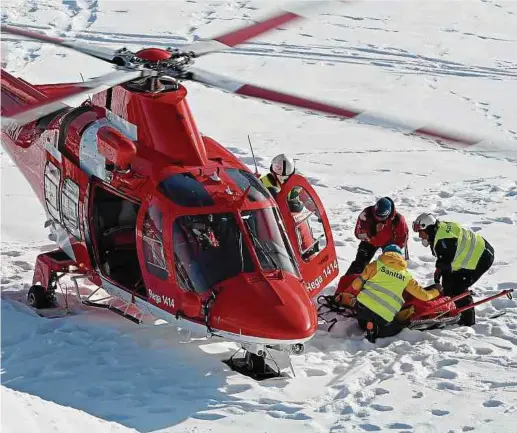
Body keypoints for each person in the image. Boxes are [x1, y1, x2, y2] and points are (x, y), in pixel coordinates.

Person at [340, 244, 442, 342]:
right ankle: (374, 328)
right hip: (383, 318)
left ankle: (368, 324)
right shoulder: (406, 276)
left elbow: (355, 285)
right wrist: (437, 290)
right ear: (400, 258)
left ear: (384, 253)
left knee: (363, 319)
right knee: (398, 326)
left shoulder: (376, 265)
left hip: (362, 309)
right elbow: (424, 296)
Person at [412, 213, 494, 326]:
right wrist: (439, 271)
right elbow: (446, 260)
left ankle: (467, 321)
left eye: (420, 232)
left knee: (458, 288)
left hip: (481, 257)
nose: (420, 236)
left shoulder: (442, 241)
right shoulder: (440, 230)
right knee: (449, 285)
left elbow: (446, 265)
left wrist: (446, 286)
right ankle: (454, 308)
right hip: (482, 248)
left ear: (429, 229)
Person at [345, 197, 409, 275]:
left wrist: (396, 249)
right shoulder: (366, 214)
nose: (378, 218)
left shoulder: (398, 219)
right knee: (359, 265)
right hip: (369, 241)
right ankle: (347, 283)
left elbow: (403, 237)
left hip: (389, 243)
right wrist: (372, 232)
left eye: (381, 217)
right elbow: (358, 234)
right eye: (376, 216)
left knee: (390, 268)